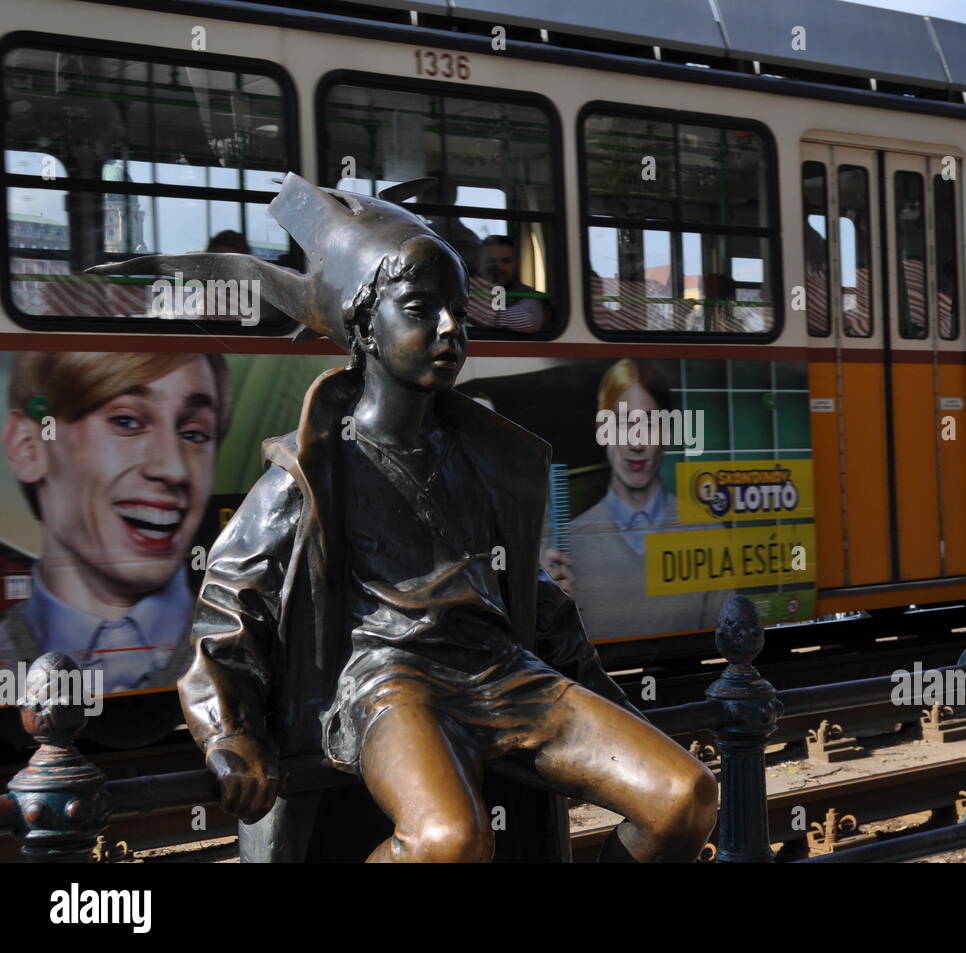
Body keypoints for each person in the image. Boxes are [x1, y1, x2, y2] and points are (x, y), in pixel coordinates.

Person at [90, 174, 716, 863]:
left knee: (685, 797)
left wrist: (610, 703)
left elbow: (532, 599)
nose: (450, 329)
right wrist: (227, 732)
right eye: (422, 309)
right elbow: (226, 611)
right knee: (450, 841)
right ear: (364, 326)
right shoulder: (309, 472)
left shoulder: (484, 455)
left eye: (459, 311)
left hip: (506, 673)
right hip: (390, 685)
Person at [0, 352, 229, 694]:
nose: (173, 469)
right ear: (28, 447)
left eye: (195, 434)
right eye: (126, 421)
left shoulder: (242, 648)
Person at [548, 359, 731, 639]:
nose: (636, 444)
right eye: (623, 424)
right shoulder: (565, 550)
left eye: (650, 425)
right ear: (602, 429)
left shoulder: (710, 536)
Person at [472, 235, 548, 333]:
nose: (498, 267)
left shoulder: (525, 293)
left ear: (516, 264)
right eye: (491, 261)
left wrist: (473, 312)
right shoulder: (467, 289)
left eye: (506, 261)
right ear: (478, 263)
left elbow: (531, 319)